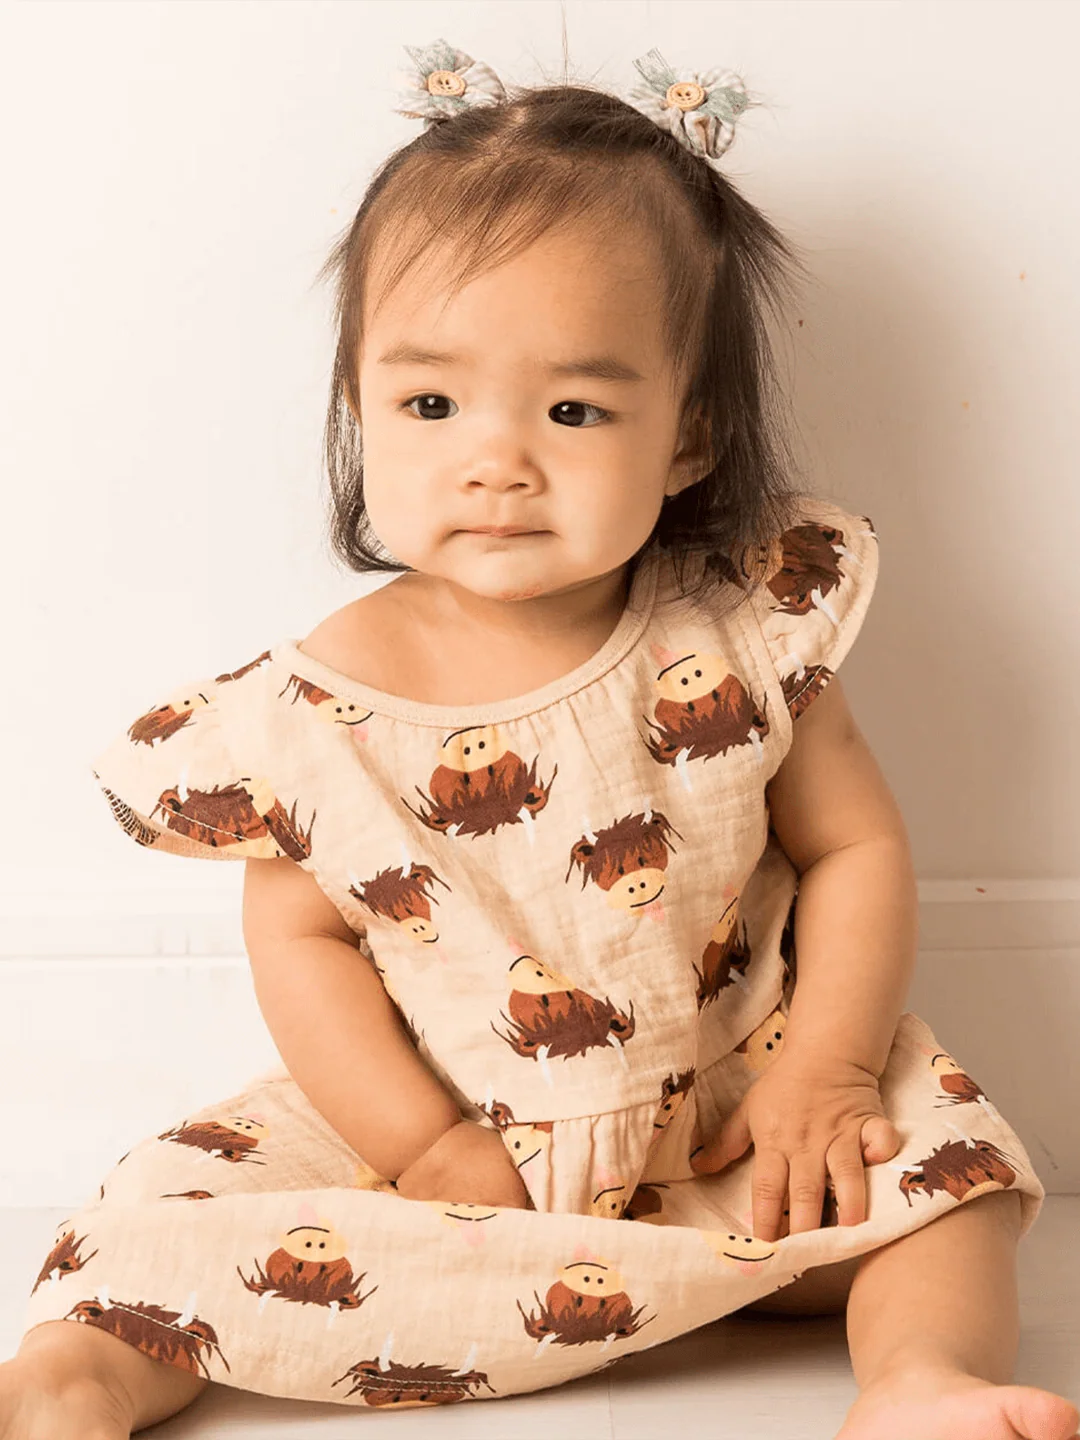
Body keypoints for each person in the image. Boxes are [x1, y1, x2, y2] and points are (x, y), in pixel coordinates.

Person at [4, 38, 1076, 1440]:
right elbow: (304, 946)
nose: (497, 461)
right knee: (169, 1215)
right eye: (432, 404)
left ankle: (922, 1378)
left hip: (729, 1116)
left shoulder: (742, 632)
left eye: (574, 409)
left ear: (686, 440)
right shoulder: (305, 711)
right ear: (361, 411)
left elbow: (854, 846)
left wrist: (825, 1066)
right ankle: (73, 1382)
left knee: (952, 1173)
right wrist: (420, 1141)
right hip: (444, 1138)